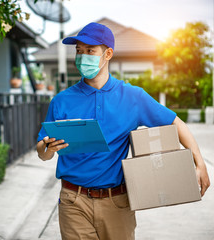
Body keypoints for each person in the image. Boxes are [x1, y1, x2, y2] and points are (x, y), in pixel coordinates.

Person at [36, 22, 210, 240]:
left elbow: (177, 123)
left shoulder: (133, 97)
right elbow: (42, 152)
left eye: (90, 51)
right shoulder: (61, 101)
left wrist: (200, 163)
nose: (82, 57)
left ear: (108, 54)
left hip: (117, 202)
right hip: (73, 200)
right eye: (78, 51)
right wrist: (48, 149)